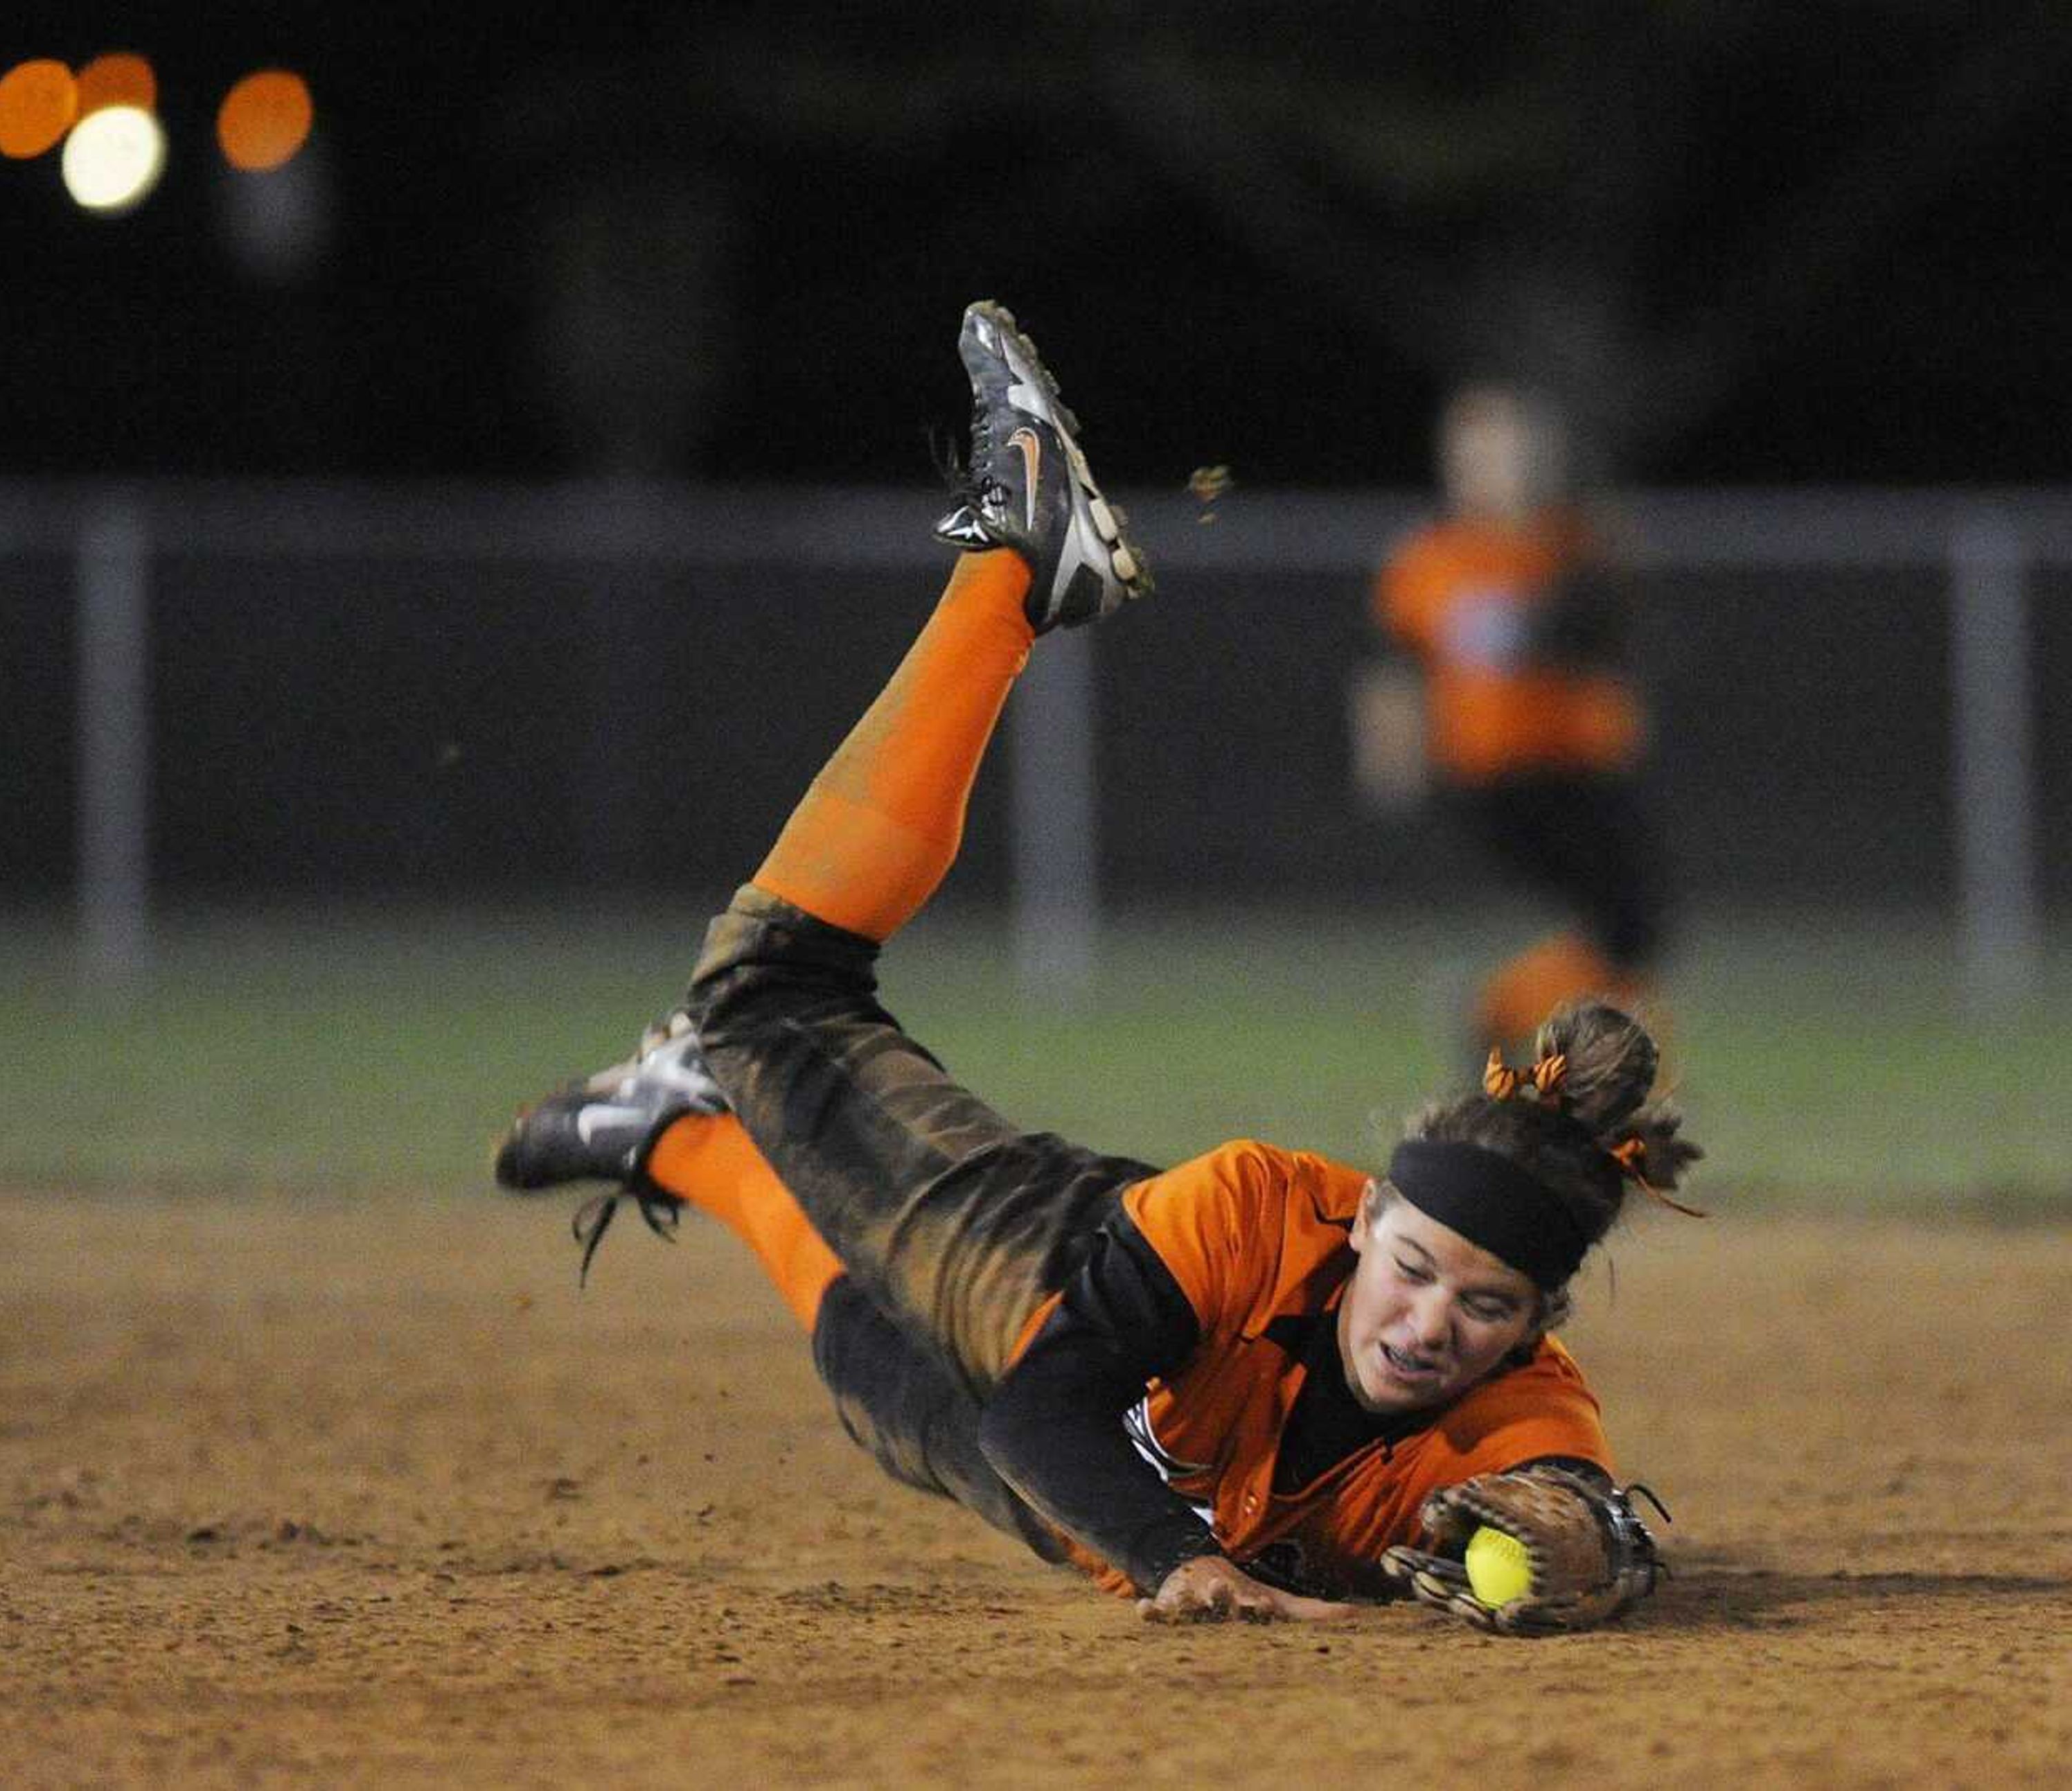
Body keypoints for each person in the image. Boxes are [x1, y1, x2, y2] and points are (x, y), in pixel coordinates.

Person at [497, 304, 1699, 1632]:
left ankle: (683, 1130)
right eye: (1413, 1265)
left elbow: (1583, 1508)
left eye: (1484, 1307)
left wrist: (1578, 1544)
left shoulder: (1518, 1406)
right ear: (1362, 1222)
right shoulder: (1253, 1212)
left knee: (884, 1376)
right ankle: (1011, 572)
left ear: (1538, 1323)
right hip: (1067, 1273)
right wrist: (1186, 1564)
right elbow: (1049, 1405)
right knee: (766, 992)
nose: (1428, 1324)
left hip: (1114, 1475)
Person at [1361, 385, 1670, 1061]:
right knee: (1628, 922)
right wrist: (1390, 763)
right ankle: (1523, 1019)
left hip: (1584, 763)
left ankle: (1505, 1011)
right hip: (1499, 775)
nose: (1490, 468)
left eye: (1504, 452)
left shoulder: (1569, 546)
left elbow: (1607, 639)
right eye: (1475, 453)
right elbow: (1394, 668)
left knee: (1632, 925)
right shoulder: (1428, 560)